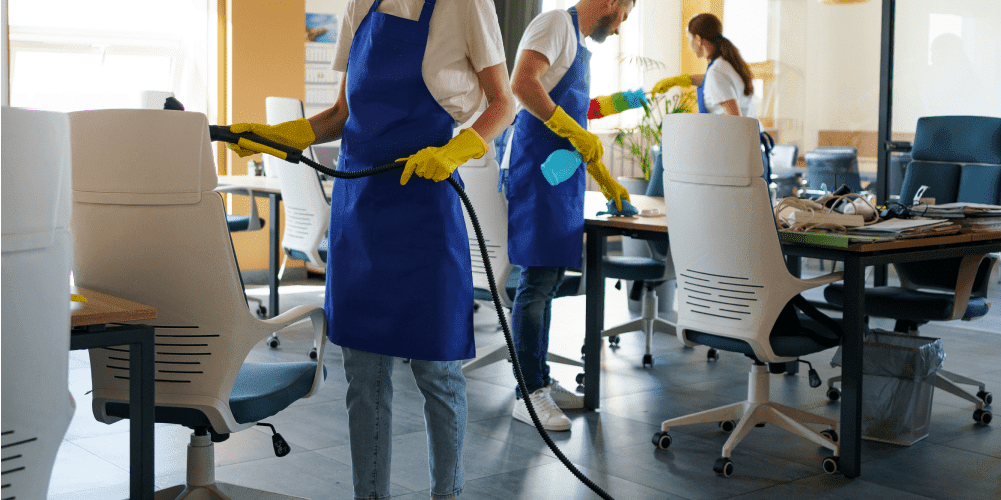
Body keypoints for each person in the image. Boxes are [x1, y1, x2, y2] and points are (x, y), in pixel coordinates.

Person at [225, 1, 514, 499]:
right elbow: (343, 113)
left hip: (426, 201)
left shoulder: (465, 3)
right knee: (363, 374)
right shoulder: (362, 4)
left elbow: (503, 103)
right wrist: (284, 136)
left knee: (439, 372)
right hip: (359, 211)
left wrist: (459, 149)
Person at [505, 0, 635, 432]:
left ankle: (538, 379)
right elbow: (523, 85)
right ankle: (528, 392)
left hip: (559, 171)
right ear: (614, 3)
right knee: (536, 281)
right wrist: (573, 131)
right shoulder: (554, 25)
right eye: (626, 15)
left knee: (551, 279)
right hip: (538, 168)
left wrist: (607, 179)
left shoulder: (574, 42)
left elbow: (577, 113)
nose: (619, 29)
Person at [651, 13, 767, 178]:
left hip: (738, 159)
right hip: (751, 153)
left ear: (698, 40)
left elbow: (736, 120)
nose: (690, 45)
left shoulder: (717, 72)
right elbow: (715, 83)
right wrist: (681, 80)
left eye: (689, 39)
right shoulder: (726, 65)